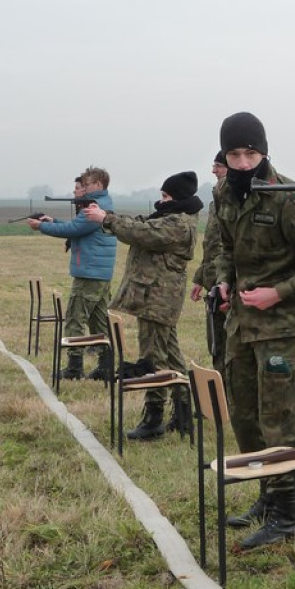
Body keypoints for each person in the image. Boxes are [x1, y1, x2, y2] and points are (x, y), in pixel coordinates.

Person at [211, 111, 295, 550]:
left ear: (264, 151)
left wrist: (278, 293)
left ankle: (287, 514)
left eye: (251, 153)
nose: (244, 162)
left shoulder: (290, 199)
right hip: (242, 326)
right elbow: (226, 248)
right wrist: (224, 280)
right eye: (235, 154)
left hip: (282, 327)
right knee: (245, 414)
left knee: (280, 418)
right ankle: (268, 497)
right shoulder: (226, 194)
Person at [83, 171, 203, 439]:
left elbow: (143, 232)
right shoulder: (168, 218)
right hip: (155, 299)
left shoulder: (179, 224)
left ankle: (153, 418)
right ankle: (183, 415)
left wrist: (107, 220)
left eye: (166, 196)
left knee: (153, 360)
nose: (161, 201)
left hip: (157, 300)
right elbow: (139, 223)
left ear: (179, 198)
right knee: (170, 356)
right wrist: (107, 216)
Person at [26, 167, 116, 381]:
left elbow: (73, 230)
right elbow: (76, 227)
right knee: (99, 321)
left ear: (98, 186)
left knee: (76, 319)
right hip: (99, 273)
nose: (82, 189)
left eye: (86, 184)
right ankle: (106, 366)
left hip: (89, 272)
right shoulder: (102, 206)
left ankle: (75, 367)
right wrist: (52, 222)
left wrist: (42, 227)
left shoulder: (94, 209)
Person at [189, 151, 229, 372]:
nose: (214, 171)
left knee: (226, 346)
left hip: (227, 282)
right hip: (213, 280)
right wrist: (200, 278)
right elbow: (211, 245)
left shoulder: (235, 200)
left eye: (218, 166)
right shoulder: (216, 201)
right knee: (216, 344)